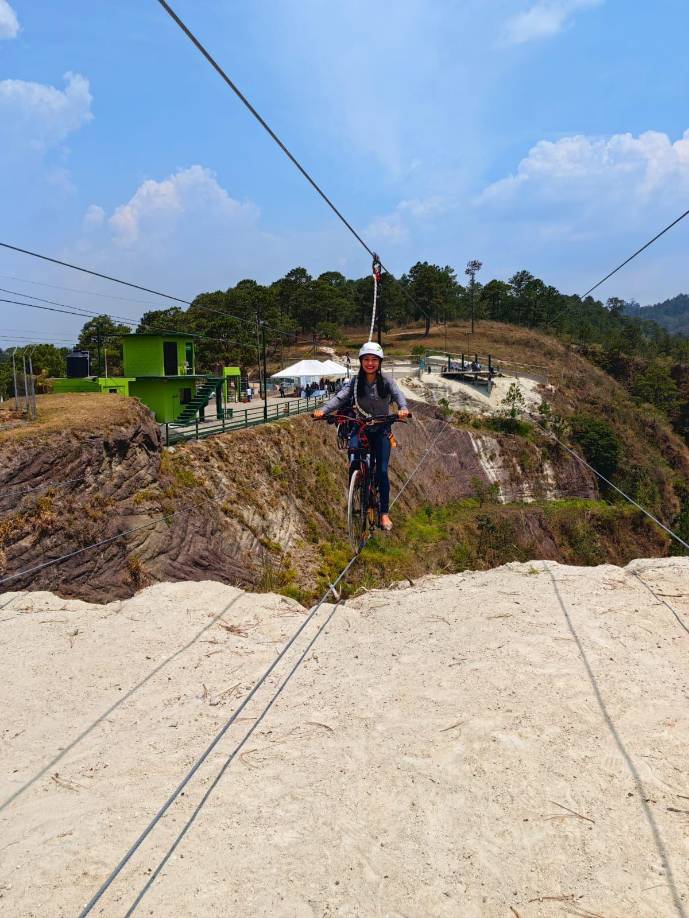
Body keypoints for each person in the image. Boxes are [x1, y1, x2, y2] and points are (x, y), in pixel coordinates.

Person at [313, 342, 409, 532]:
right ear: (361, 361)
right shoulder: (355, 382)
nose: (370, 363)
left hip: (381, 430)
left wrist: (403, 408)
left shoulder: (387, 381)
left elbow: (398, 395)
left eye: (374, 360)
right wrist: (324, 410)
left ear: (379, 362)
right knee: (353, 455)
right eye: (366, 359)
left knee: (382, 472)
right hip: (361, 427)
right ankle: (357, 485)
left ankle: (384, 513)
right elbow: (340, 397)